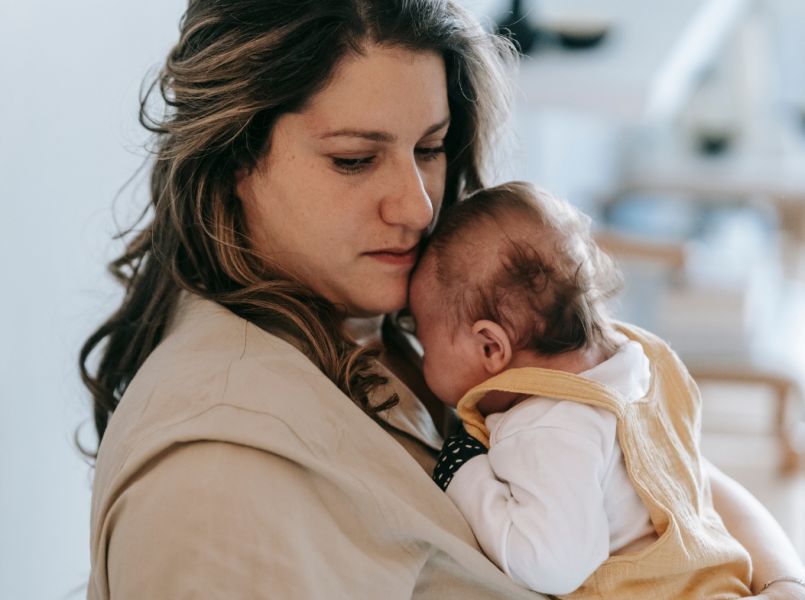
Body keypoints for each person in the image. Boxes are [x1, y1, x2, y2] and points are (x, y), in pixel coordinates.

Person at [79, 1, 805, 598]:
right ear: (235, 155)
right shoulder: (214, 486)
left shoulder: (414, 307)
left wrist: (778, 581)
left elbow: (664, 469)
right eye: (354, 160)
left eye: (430, 148)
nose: (417, 205)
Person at [409, 182, 761, 597]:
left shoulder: (544, 425)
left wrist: (465, 474)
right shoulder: (644, 362)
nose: (418, 352)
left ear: (490, 347)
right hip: (717, 575)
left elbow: (553, 565)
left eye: (422, 339)